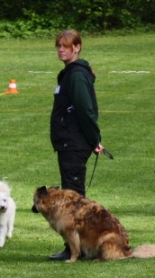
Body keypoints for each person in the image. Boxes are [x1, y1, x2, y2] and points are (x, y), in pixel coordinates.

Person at [49, 29, 105, 261]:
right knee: (72, 196)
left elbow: (86, 111)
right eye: (59, 46)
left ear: (77, 47)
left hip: (74, 143)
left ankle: (76, 249)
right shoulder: (69, 73)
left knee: (73, 200)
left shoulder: (77, 76)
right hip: (68, 142)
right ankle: (77, 246)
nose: (61, 49)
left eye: (66, 46)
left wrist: (94, 140)